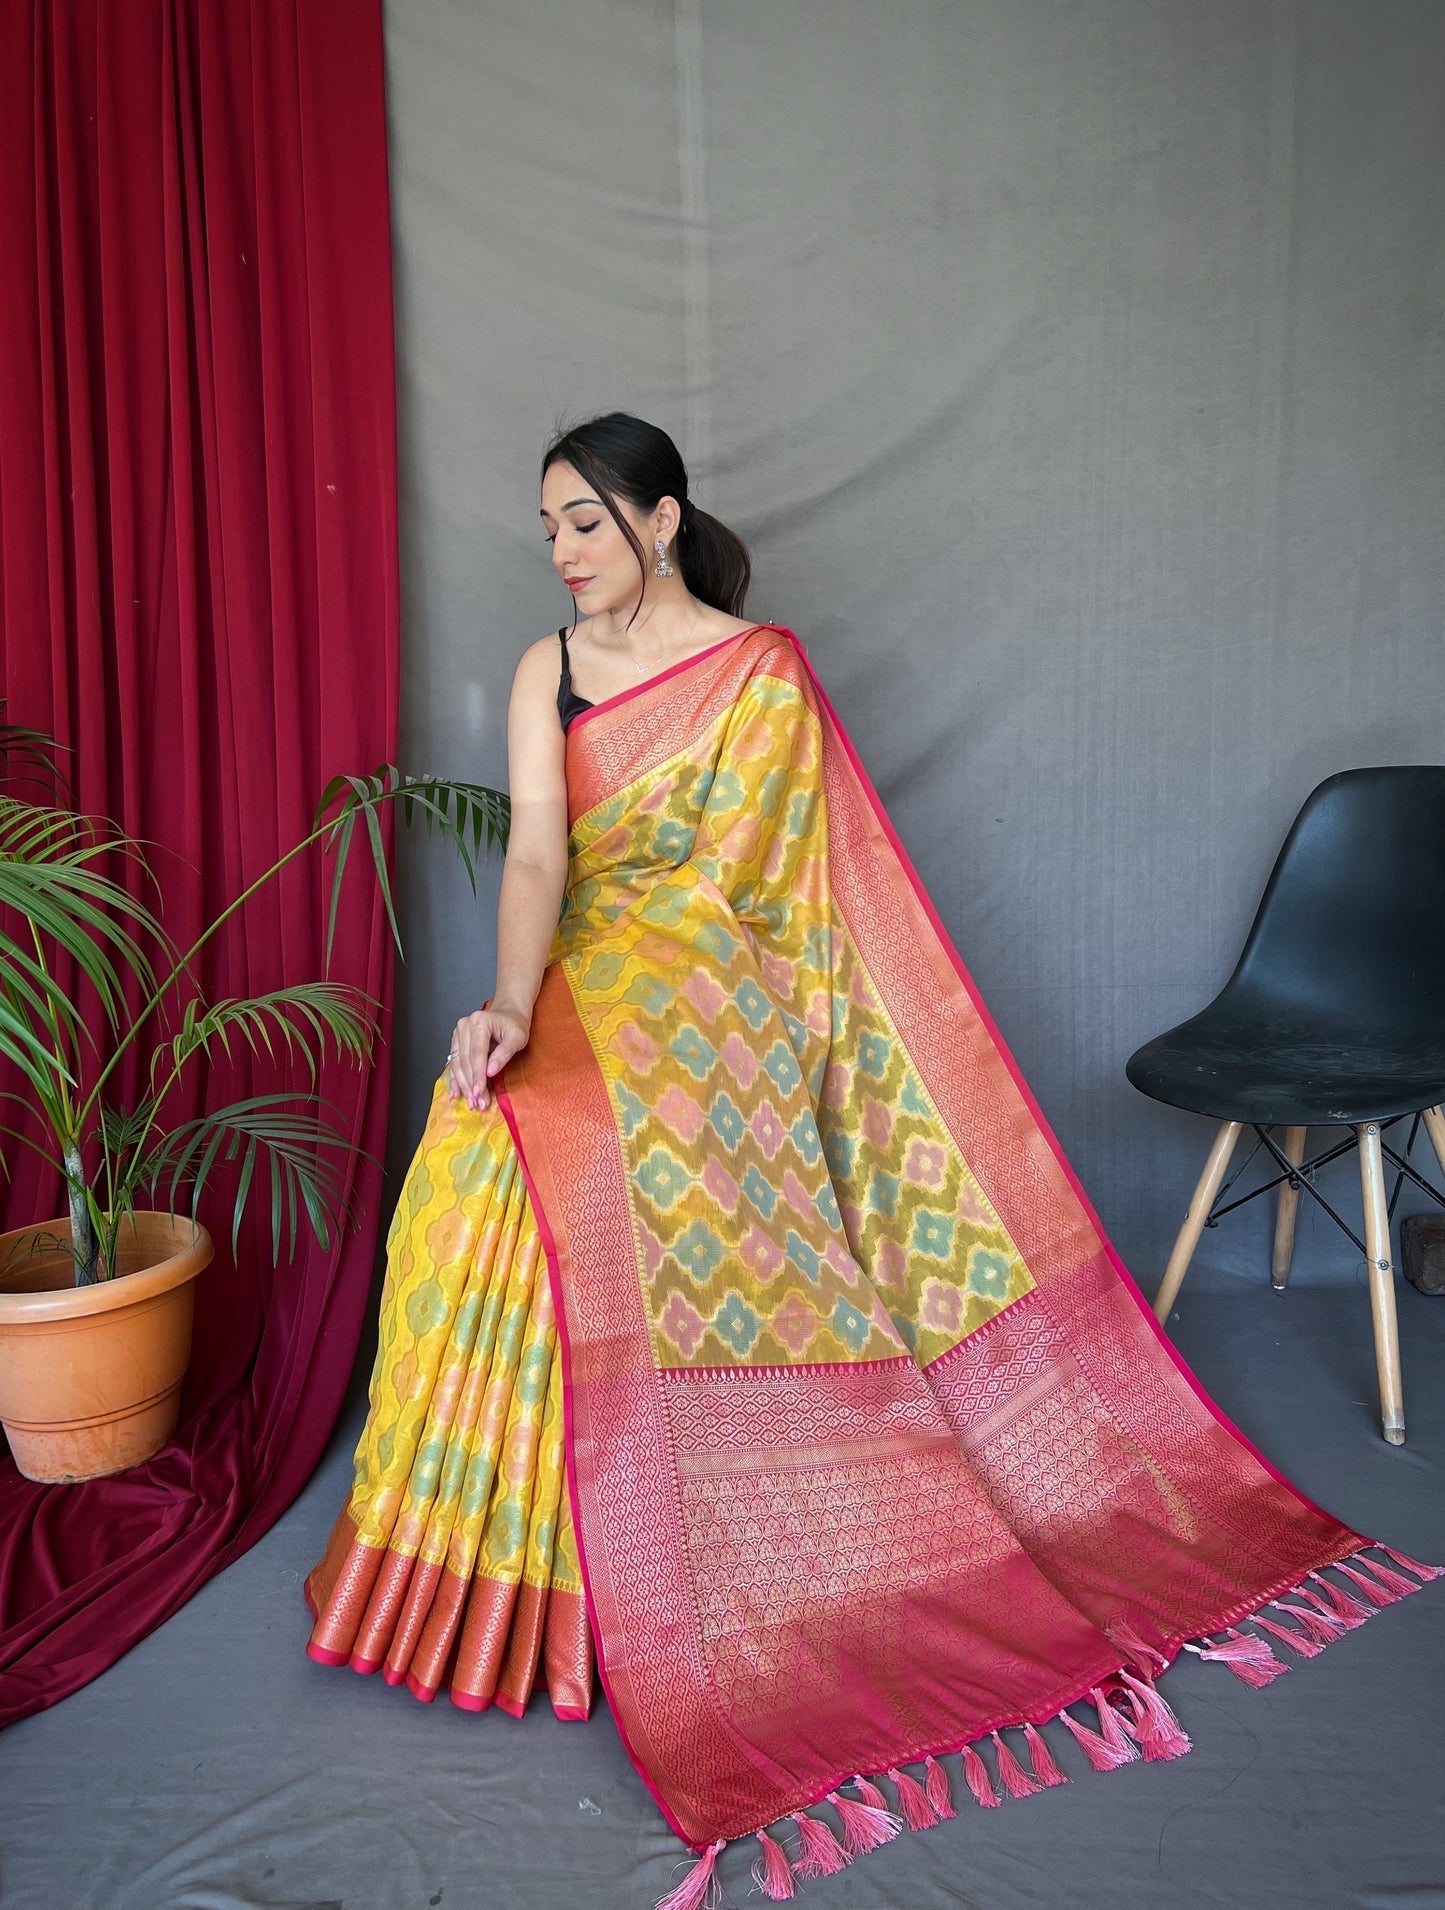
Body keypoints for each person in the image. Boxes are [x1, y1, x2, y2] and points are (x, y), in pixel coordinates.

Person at [305, 412, 1430, 1907]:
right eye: (549, 529)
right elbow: (533, 855)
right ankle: (486, 1583)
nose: (563, 553)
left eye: (584, 521)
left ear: (659, 516)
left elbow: (802, 903)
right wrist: (510, 1000)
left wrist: (725, 1016)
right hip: (584, 974)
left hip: (726, 994)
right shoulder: (547, 669)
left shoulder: (760, 672)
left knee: (622, 1144)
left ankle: (655, 1580)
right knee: (484, 1145)